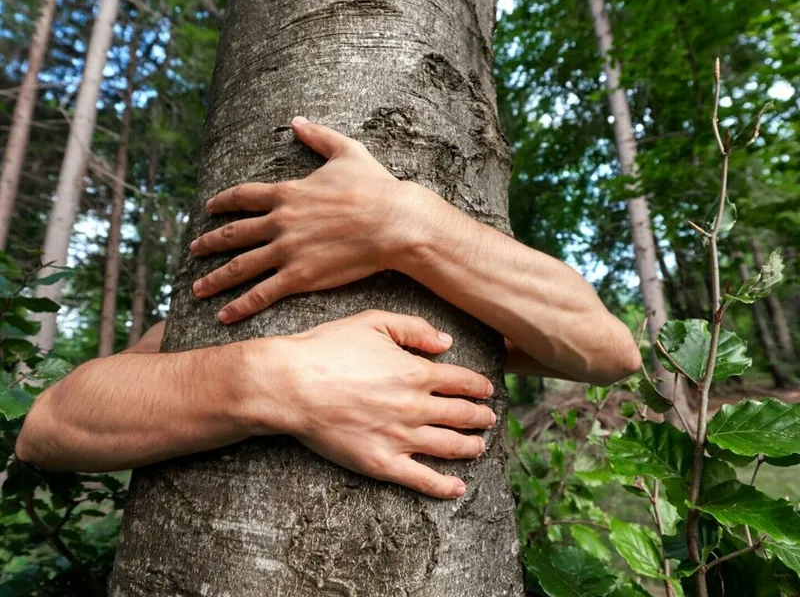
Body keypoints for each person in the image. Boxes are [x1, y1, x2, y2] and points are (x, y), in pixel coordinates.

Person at [15, 117, 641, 500]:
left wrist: (402, 221)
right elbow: (50, 426)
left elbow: (608, 350)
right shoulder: (224, 308)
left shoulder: (465, 297)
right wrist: (279, 381)